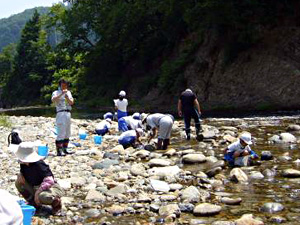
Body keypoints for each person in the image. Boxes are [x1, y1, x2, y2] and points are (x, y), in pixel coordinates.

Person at [15, 142, 64, 215]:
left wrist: (37, 193)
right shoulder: (23, 163)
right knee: (18, 183)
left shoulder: (39, 164)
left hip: (50, 187)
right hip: (35, 186)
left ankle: (57, 205)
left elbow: (49, 181)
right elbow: (23, 172)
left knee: (43, 196)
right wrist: (20, 175)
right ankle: (34, 204)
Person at [51, 79, 74, 156]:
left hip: (68, 113)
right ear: (60, 85)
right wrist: (61, 94)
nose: (64, 86)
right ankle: (59, 151)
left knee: (67, 132)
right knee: (61, 132)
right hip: (60, 113)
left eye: (65, 85)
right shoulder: (56, 92)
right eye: (62, 85)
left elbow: (71, 103)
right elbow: (53, 100)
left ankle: (65, 149)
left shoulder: (69, 92)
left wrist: (67, 97)